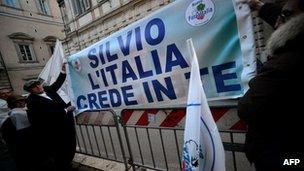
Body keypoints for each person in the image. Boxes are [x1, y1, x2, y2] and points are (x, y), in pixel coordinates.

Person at [238, 0, 304, 170]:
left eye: (285, 15)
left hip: (282, 158)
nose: (277, 22)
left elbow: (247, 107)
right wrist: (259, 7)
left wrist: (255, 81)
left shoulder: (286, 63)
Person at [24, 64, 76, 171]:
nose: (38, 87)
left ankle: (68, 162)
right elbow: (46, 114)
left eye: (38, 84)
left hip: (67, 124)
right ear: (30, 91)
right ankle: (63, 165)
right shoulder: (32, 101)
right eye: (34, 87)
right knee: (61, 150)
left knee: (71, 144)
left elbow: (57, 84)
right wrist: (65, 110)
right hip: (54, 131)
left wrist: (63, 72)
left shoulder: (47, 89)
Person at [1, 94, 33, 171]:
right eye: (19, 101)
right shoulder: (17, 115)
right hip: (23, 150)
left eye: (23, 101)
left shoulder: (11, 115)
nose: (23, 103)